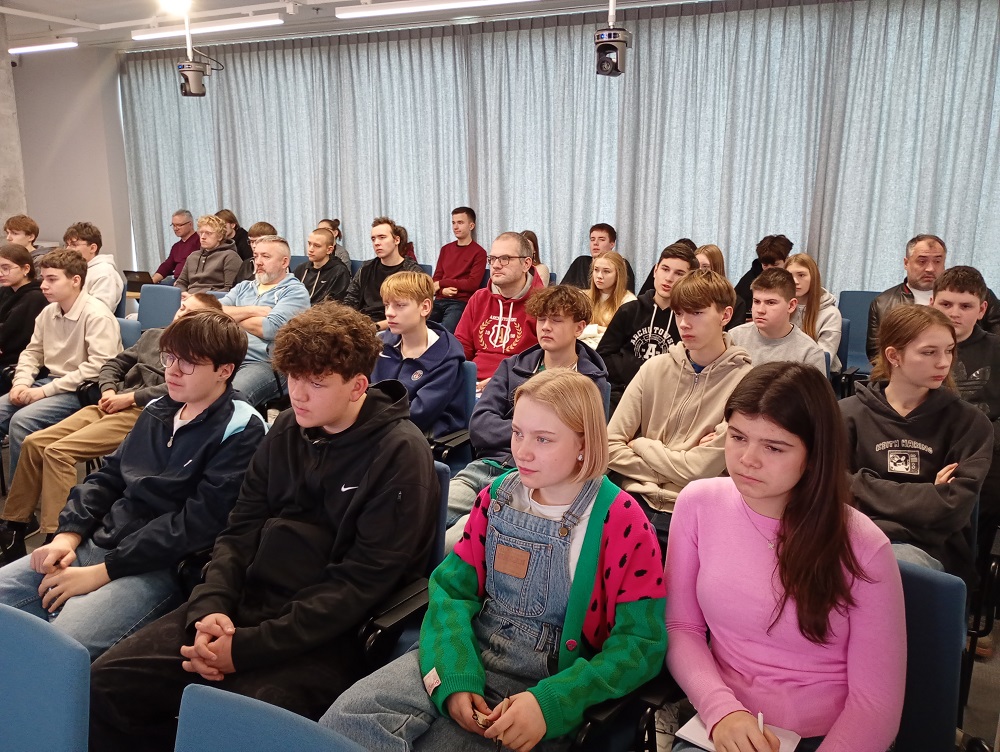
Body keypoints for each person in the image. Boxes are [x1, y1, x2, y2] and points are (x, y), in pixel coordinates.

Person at [88, 302, 439, 752]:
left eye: (316, 382)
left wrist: (244, 650)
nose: (298, 394)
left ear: (357, 386)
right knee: (106, 684)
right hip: (243, 602)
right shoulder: (288, 427)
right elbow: (239, 529)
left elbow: (359, 584)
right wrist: (210, 608)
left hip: (326, 633)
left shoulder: (400, 455)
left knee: (230, 727)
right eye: (292, 378)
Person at [322, 368, 666, 751]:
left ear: (584, 443)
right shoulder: (496, 496)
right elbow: (451, 591)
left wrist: (553, 703)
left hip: (542, 682)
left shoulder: (621, 522)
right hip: (466, 646)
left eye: (543, 439)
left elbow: (641, 643)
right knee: (344, 721)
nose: (522, 451)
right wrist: (454, 674)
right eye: (517, 432)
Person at [666, 362, 906, 752]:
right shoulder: (697, 503)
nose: (748, 459)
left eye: (774, 447)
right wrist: (722, 711)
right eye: (738, 437)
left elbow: (875, 706)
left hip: (827, 736)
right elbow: (682, 627)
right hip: (725, 721)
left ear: (812, 455)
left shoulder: (864, 546)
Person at [0, 310, 265, 659]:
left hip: (155, 566)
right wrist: (68, 534)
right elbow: (108, 477)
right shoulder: (159, 408)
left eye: (188, 363)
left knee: (57, 651)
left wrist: (104, 571)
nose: (172, 371)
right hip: (98, 541)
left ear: (224, 370)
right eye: (170, 358)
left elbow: (196, 525)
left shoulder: (243, 428)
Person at [0, 294, 223, 559]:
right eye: (182, 308)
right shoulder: (154, 335)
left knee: (58, 452)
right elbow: (113, 364)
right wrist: (108, 389)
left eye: (190, 313)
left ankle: (57, 534)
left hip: (140, 411)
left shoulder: (195, 357)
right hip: (111, 402)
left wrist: (131, 398)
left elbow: (174, 390)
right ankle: (15, 526)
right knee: (34, 442)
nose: (180, 314)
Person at [445, 284, 609, 550]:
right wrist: (539, 437)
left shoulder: (591, 383)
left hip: (532, 481)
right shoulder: (513, 366)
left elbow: (581, 445)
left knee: (454, 540)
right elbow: (480, 424)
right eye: (542, 319)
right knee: (421, 514)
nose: (545, 327)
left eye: (556, 320)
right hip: (484, 467)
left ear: (579, 328)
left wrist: (521, 435)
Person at [841, 304, 992, 586]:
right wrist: (928, 494)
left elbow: (952, 508)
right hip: (853, 536)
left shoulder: (970, 423)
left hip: (929, 549)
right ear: (894, 356)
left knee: (890, 568)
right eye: (929, 352)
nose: (944, 363)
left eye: (949, 350)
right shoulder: (845, 415)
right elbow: (832, 490)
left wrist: (861, 483)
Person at [608, 269, 753, 551]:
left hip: (694, 510)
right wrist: (677, 467)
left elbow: (699, 471)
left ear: (725, 315)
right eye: (678, 313)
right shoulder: (654, 369)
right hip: (632, 501)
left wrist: (641, 444)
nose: (684, 323)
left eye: (697, 313)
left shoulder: (746, 383)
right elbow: (610, 447)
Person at [0, 250, 121, 479]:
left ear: (75, 280)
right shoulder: (48, 312)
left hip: (83, 389)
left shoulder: (97, 315)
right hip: (52, 382)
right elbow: (32, 352)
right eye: (43, 278)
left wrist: (43, 391)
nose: (43, 285)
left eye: (52, 279)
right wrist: (21, 383)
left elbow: (99, 366)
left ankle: (21, 499)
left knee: (22, 421)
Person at [931, 266, 1000, 574]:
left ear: (982, 309)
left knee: (985, 496)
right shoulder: (916, 346)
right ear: (932, 303)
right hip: (926, 443)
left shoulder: (996, 350)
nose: (954, 313)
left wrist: (976, 447)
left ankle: (971, 575)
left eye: (966, 306)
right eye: (946, 304)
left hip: (984, 451)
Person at [866, 234, 1000, 361]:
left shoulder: (979, 294)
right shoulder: (883, 303)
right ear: (906, 263)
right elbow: (876, 354)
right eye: (922, 261)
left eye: (937, 261)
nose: (930, 268)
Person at [597, 243, 695, 411]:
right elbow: (602, 357)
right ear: (655, 270)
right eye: (665, 269)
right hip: (622, 395)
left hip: (668, 401)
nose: (669, 278)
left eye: (679, 273)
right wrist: (640, 368)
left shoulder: (688, 320)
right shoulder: (629, 310)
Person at [372, 271, 466, 437]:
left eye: (400, 305)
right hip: (378, 429)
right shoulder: (381, 344)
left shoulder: (445, 357)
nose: (389, 313)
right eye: (387, 305)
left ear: (425, 307)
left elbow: (418, 415)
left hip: (418, 438)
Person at [219, 236, 310, 407]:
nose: (258, 262)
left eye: (266, 256)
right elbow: (212, 312)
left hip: (266, 363)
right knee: (188, 386)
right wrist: (254, 311)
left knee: (231, 399)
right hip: (226, 355)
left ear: (284, 262)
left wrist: (230, 316)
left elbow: (269, 328)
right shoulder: (243, 287)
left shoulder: (295, 292)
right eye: (256, 256)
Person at [454, 231, 544, 388]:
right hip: (473, 383)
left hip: (518, 386)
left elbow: (548, 361)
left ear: (526, 264)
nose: (495, 265)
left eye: (505, 258)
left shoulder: (544, 303)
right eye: (492, 259)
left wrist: (507, 382)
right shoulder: (479, 298)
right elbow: (461, 347)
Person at [729, 268, 827, 374]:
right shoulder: (734, 338)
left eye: (771, 303)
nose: (760, 310)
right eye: (756, 301)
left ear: (791, 305)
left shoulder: (809, 353)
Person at [344, 216, 422, 330]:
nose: (376, 243)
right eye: (373, 239)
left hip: (392, 327)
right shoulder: (366, 268)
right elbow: (350, 300)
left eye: (382, 237)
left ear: (396, 240)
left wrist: (375, 327)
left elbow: (411, 312)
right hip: (362, 324)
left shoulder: (411, 272)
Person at [430, 207, 487, 333]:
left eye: (460, 222)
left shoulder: (479, 252)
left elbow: (472, 284)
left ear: (471, 226)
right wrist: (442, 290)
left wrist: (442, 283)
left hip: (460, 303)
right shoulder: (445, 249)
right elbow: (436, 279)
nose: (455, 227)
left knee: (446, 332)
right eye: (453, 223)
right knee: (416, 323)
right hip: (439, 299)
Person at [785, 253, 843, 370]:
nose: (795, 281)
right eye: (789, 276)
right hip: (780, 369)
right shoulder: (780, 307)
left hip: (813, 374)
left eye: (801, 275)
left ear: (813, 278)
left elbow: (822, 360)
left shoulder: (830, 314)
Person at [0, 244, 48, 384]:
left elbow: (9, 334)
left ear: (26, 269)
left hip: (16, 364)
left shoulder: (35, 297)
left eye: (6, 268)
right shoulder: (5, 291)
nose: (1, 273)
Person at [579, 250, 636, 349]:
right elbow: (571, 331)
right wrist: (598, 329)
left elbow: (624, 338)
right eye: (596, 270)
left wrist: (589, 330)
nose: (599, 276)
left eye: (606, 271)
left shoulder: (629, 301)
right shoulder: (582, 297)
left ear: (618, 274)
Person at [63, 222, 124, 313]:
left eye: (74, 245)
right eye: (67, 245)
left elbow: (100, 311)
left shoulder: (105, 273)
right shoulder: (75, 270)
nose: (68, 249)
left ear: (92, 248)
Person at [174, 215, 242, 295]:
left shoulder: (230, 256)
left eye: (208, 233)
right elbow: (180, 283)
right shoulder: (193, 256)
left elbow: (230, 289)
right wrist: (183, 293)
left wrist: (198, 298)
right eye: (201, 233)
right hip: (189, 298)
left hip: (213, 300)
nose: (203, 237)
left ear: (220, 237)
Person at [733, 234, 793, 324]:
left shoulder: (794, 278)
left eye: (775, 265)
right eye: (765, 265)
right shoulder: (748, 281)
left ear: (787, 260)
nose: (769, 269)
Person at [560, 223, 636, 292]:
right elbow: (562, 291)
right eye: (592, 239)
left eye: (601, 239)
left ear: (612, 244)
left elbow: (626, 296)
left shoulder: (621, 264)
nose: (595, 243)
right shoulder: (580, 262)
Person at [293, 227, 351, 305]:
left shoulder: (339, 271)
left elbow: (336, 303)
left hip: (322, 312)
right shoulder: (301, 269)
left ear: (329, 250)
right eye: (309, 244)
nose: (310, 249)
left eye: (317, 246)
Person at [694, 243, 745, 329]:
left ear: (717, 268)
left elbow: (733, 335)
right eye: (695, 267)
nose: (698, 272)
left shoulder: (736, 303)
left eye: (705, 267)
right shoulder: (685, 297)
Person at [152, 210, 200, 284]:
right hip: (176, 281)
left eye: (179, 225)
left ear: (190, 224)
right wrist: (152, 281)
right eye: (174, 225)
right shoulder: (176, 247)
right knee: (148, 288)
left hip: (191, 282)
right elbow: (167, 266)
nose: (175, 228)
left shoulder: (200, 241)